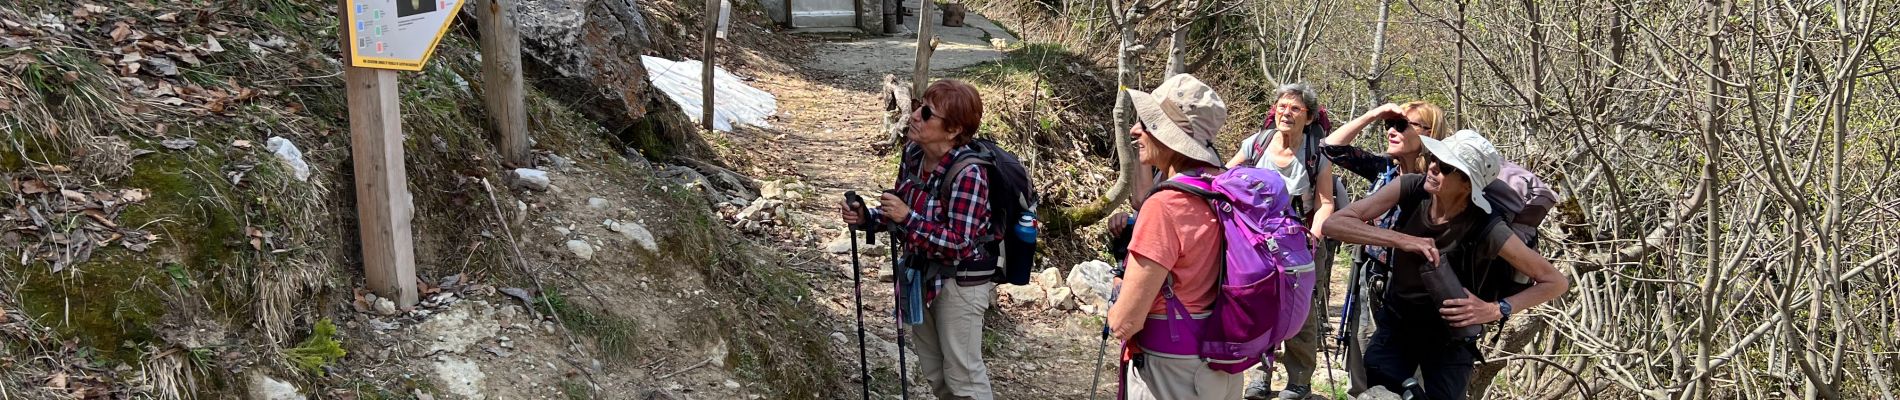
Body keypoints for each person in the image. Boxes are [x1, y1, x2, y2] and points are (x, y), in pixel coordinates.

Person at [1321, 130, 1570, 400]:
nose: (1433, 167)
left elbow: (1555, 281)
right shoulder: (1412, 188)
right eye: (1434, 158)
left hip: (1449, 341)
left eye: (1446, 167)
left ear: (1468, 185)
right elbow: (1334, 224)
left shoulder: (1487, 228)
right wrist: (1402, 239)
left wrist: (1495, 309)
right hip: (1397, 324)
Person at [840, 79, 997, 400]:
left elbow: (959, 244)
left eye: (927, 113)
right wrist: (867, 217)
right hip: (920, 274)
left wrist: (906, 218)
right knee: (936, 372)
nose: (914, 115)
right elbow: (900, 205)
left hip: (961, 283)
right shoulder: (913, 152)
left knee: (963, 376)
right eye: (917, 105)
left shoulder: (969, 174)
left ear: (953, 130)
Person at [1106, 74, 1241, 400]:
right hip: (1221, 369)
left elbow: (1125, 322)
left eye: (1148, 123)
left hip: (1170, 372)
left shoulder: (1166, 205)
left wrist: (1116, 293)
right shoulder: (1223, 189)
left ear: (1171, 137)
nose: (1136, 131)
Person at [1318, 101, 1452, 396]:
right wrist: (1374, 114)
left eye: (1402, 125)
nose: (1391, 131)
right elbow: (1330, 147)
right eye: (1388, 125)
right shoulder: (1384, 170)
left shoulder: (1439, 180)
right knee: (1367, 359)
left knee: (1405, 370)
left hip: (1413, 289)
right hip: (1373, 277)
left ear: (1429, 134)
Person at [1228, 84, 1337, 400]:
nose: (1286, 113)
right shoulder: (1256, 145)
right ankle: (1260, 373)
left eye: (1295, 108)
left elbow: (1325, 202)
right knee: (1261, 303)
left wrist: (1314, 238)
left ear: (1309, 116)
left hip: (1302, 239)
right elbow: (1225, 178)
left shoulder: (1317, 152)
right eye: (1282, 106)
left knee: (1302, 310)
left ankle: (1299, 380)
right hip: (1259, 241)